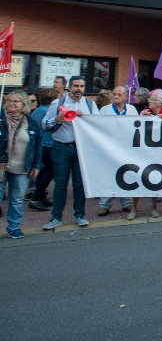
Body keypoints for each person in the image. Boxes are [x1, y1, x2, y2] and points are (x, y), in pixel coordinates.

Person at [41, 75, 98, 230]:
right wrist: (59, 118)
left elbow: (98, 125)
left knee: (79, 184)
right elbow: (45, 124)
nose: (78, 89)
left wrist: (85, 117)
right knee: (60, 184)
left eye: (81, 86)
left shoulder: (90, 104)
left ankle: (79, 215)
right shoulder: (58, 103)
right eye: (75, 86)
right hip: (61, 147)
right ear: (69, 88)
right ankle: (56, 218)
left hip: (81, 149)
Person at [1, 90, 42, 239]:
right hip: (1, 167)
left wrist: (37, 165)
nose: (12, 103)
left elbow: (38, 146)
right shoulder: (1, 120)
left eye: (16, 101)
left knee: (17, 199)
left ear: (24, 104)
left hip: (23, 167)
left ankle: (14, 227)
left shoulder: (31, 123)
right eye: (10, 101)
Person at [96, 86, 138, 216]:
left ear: (125, 96)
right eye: (114, 94)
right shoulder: (104, 110)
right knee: (108, 175)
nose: (116, 96)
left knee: (126, 175)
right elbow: (99, 128)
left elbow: (137, 127)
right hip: (110, 148)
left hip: (127, 149)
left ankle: (127, 203)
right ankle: (105, 204)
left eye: (119, 94)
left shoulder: (132, 109)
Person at [132, 90, 162, 219]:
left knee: (155, 179)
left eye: (152, 100)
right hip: (144, 151)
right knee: (138, 177)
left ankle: (153, 207)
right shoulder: (144, 114)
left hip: (159, 152)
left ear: (159, 102)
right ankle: (133, 208)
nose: (149, 102)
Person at [28, 88, 56, 213]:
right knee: (51, 171)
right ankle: (36, 198)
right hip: (49, 144)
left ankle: (41, 196)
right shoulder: (49, 111)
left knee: (44, 170)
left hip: (39, 145)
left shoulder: (36, 111)